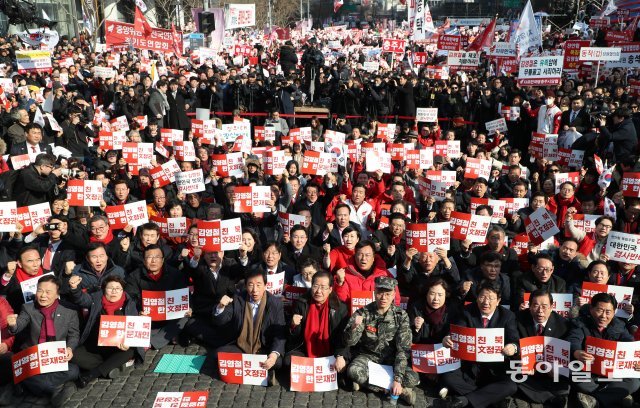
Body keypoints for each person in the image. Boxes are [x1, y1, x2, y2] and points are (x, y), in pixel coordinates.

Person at [441, 281, 519, 408]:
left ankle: (465, 400)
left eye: (491, 298)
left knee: (511, 386)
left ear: (498, 300)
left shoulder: (507, 316)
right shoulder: (467, 312)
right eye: (482, 297)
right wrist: (448, 338)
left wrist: (513, 348)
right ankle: (491, 399)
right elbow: (456, 332)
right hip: (469, 368)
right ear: (477, 298)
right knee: (448, 378)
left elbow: (515, 340)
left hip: (494, 370)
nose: (486, 302)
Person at [6, 275, 79, 407]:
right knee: (27, 373)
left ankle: (25, 385)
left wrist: (70, 349)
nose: (43, 295)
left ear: (57, 294)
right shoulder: (28, 308)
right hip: (34, 356)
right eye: (39, 291)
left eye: (48, 292)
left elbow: (74, 335)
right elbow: (18, 326)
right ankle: (55, 390)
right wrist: (12, 325)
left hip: (56, 356)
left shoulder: (69, 311)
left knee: (74, 370)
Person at [344, 276, 418, 405]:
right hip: (368, 356)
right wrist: (354, 328)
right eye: (380, 293)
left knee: (412, 378)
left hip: (391, 358)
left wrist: (398, 379)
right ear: (374, 293)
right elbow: (350, 343)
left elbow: (403, 349)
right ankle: (399, 391)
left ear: (394, 294)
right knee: (353, 371)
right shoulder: (363, 313)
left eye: (388, 294)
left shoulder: (401, 316)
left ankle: (366, 385)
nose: (383, 298)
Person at [67, 275, 142, 387]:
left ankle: (91, 375)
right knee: (73, 355)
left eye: (118, 288)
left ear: (122, 290)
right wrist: (75, 289)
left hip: (118, 348)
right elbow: (81, 299)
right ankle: (111, 367)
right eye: (110, 288)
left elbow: (137, 328)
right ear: (103, 289)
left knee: (130, 351)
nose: (114, 291)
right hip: (96, 346)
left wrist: (128, 342)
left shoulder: (130, 304)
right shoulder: (95, 300)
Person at [214, 269, 286, 385]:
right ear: (246, 286)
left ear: (265, 286)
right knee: (218, 355)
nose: (255, 290)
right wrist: (220, 306)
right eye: (251, 285)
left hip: (263, 346)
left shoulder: (275, 303)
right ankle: (259, 368)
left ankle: (259, 367)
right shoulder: (238, 299)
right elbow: (221, 321)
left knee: (277, 362)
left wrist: (273, 356)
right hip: (241, 346)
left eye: (258, 285)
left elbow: (279, 333)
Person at [566, 293, 640, 407]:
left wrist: (636, 359)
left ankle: (596, 400)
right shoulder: (580, 322)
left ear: (614, 312)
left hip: (611, 374)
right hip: (588, 373)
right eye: (599, 310)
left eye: (608, 312)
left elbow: (630, 344)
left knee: (634, 382)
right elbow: (573, 339)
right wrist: (577, 352)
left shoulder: (619, 325)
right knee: (571, 371)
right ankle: (616, 396)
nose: (603, 316)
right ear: (591, 309)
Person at [124, 245, 191, 349]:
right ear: (143, 260)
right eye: (149, 257)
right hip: (148, 316)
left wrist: (188, 307)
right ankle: (168, 336)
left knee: (184, 316)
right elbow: (131, 297)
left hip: (170, 315)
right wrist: (140, 310)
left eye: (157, 257)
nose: (153, 261)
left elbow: (184, 295)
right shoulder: (134, 276)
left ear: (163, 259)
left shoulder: (175, 274)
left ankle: (150, 342)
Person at [514, 290, 570, 407]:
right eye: (536, 305)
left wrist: (556, 369)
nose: (540, 311)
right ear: (529, 307)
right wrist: (522, 362)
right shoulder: (518, 320)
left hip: (550, 372)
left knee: (564, 384)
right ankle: (548, 398)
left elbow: (564, 353)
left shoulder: (563, 325)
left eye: (544, 306)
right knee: (513, 378)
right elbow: (514, 344)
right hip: (527, 372)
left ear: (551, 307)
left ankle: (536, 396)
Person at [286, 271, 349, 370]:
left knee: (342, 365)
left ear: (330, 289)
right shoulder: (301, 303)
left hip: (331, 350)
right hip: (304, 349)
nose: (318, 291)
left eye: (323, 287)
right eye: (315, 286)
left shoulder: (340, 307)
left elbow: (343, 337)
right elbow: (294, 337)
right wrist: (293, 325)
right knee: (290, 362)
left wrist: (340, 355)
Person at [182, 249, 238, 348]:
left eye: (216, 252)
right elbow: (192, 270)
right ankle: (223, 343)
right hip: (204, 313)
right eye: (209, 253)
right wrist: (195, 258)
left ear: (223, 253)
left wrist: (243, 255)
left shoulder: (230, 264)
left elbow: (243, 270)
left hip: (225, 312)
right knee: (191, 325)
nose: (213, 256)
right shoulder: (199, 265)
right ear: (204, 255)